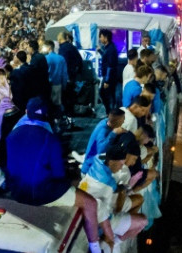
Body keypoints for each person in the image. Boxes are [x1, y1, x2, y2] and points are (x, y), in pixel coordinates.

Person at [7, 97, 107, 253]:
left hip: (17, 192)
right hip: (40, 194)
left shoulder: (11, 135)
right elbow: (59, 174)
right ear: (46, 115)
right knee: (90, 203)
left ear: (27, 112)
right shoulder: (50, 138)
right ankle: (95, 248)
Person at [79, 109, 127, 174]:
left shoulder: (106, 122)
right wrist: (114, 133)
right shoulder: (102, 130)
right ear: (117, 121)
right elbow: (101, 150)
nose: (124, 121)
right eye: (123, 119)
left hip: (97, 167)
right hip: (90, 170)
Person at [43, 40, 69, 119]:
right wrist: (64, 85)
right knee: (57, 104)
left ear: (49, 47)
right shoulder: (61, 58)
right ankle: (58, 120)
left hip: (48, 84)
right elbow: (64, 73)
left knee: (48, 104)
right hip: (58, 84)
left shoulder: (46, 58)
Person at [98, 30, 120, 110]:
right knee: (108, 94)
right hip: (109, 76)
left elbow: (110, 65)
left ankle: (110, 113)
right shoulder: (109, 47)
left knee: (106, 94)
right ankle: (110, 113)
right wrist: (100, 51)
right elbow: (106, 58)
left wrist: (107, 80)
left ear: (105, 37)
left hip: (110, 77)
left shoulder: (111, 49)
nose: (100, 39)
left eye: (101, 37)